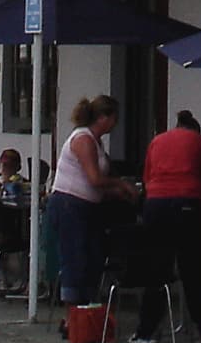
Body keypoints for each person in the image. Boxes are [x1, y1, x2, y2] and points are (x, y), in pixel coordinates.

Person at [131, 109, 201, 343]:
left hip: (156, 206)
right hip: (188, 205)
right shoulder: (197, 140)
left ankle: (147, 331)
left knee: (157, 268)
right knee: (195, 270)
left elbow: (148, 180)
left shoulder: (157, 140)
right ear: (194, 129)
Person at [50, 95, 138, 307]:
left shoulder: (96, 142)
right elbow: (95, 179)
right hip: (70, 203)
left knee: (93, 255)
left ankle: (88, 304)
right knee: (75, 257)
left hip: (89, 205)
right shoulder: (83, 139)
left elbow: (95, 184)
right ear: (103, 117)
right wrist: (121, 185)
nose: (115, 124)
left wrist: (118, 193)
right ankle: (73, 313)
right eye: (113, 118)